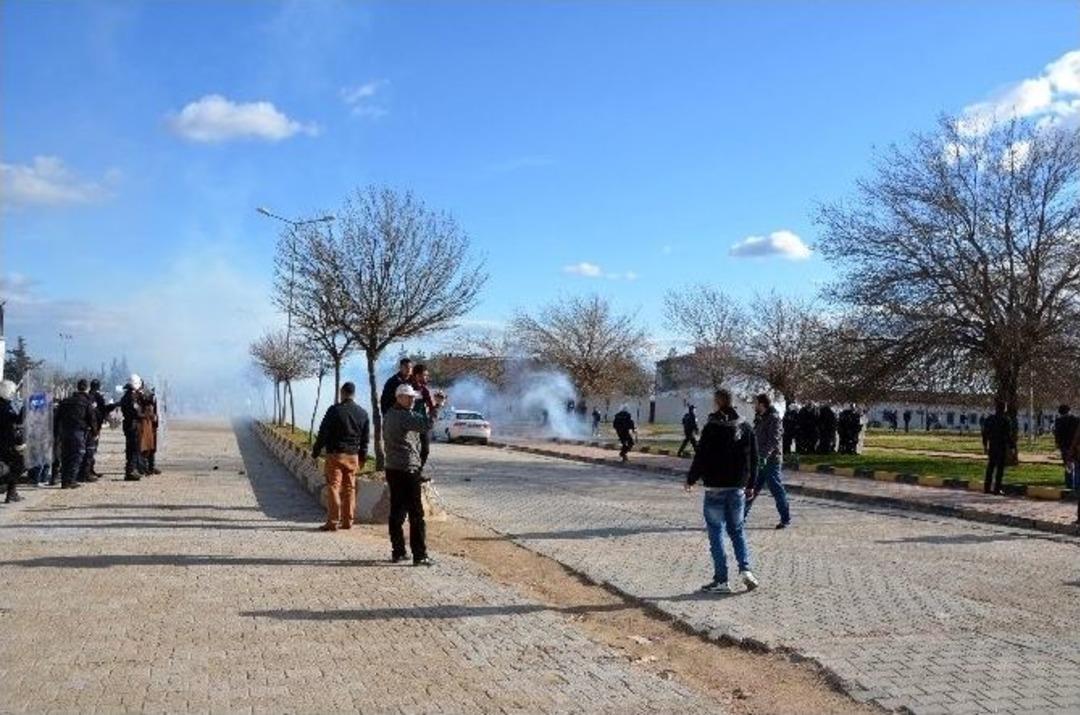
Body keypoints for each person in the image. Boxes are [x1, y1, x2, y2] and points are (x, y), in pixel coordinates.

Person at [685, 389, 760, 594]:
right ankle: (746, 570)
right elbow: (754, 459)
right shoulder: (746, 427)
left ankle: (721, 580)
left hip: (715, 488)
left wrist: (691, 479)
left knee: (716, 533)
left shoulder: (711, 427)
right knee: (737, 531)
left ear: (717, 402)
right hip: (738, 488)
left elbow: (701, 456)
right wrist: (751, 484)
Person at [383, 383, 445, 565]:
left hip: (393, 469)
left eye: (413, 398)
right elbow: (427, 424)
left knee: (397, 512)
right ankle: (420, 555)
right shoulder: (404, 416)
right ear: (399, 398)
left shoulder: (389, 414)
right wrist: (437, 406)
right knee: (416, 514)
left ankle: (398, 551)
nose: (412, 400)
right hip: (407, 470)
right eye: (409, 397)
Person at [312, 382, 370, 532]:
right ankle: (347, 521)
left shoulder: (334, 410)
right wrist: (362, 457)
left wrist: (316, 451)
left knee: (334, 486)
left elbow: (323, 432)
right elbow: (365, 439)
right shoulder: (362, 413)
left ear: (342, 393)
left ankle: (332, 521)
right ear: (354, 394)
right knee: (350, 488)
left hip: (335, 455)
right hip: (353, 456)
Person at [745, 394, 790, 529]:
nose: (754, 405)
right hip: (759, 460)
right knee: (750, 489)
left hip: (771, 461)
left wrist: (764, 456)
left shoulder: (774, 418)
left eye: (756, 403)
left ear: (762, 404)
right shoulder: (760, 418)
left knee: (777, 490)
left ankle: (785, 519)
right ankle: (740, 518)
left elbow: (774, 440)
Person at [55, 379, 96, 490]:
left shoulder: (65, 401)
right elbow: (91, 418)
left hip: (65, 432)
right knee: (77, 455)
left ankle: (64, 481)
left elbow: (57, 417)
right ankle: (71, 480)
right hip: (78, 432)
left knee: (65, 456)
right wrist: (94, 432)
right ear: (86, 388)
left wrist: (56, 433)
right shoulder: (86, 402)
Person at [0, 380, 27, 504]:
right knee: (19, 465)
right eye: (12, 392)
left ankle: (12, 492)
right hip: (5, 443)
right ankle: (9, 490)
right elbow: (15, 422)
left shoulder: (5, 405)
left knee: (11, 466)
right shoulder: (5, 406)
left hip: (5, 442)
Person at [981, 400, 1015, 495]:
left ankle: (987, 488)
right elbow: (1008, 435)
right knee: (1000, 469)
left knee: (990, 467)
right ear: (1004, 409)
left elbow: (984, 434)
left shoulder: (989, 419)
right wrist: (1012, 447)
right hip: (1001, 446)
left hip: (992, 446)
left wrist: (985, 445)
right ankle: (997, 488)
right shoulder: (1006, 420)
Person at [409, 364, 436, 474]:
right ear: (417, 375)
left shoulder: (425, 390)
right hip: (409, 423)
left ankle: (418, 471)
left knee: (425, 449)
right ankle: (410, 471)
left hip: (422, 423)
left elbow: (432, 406)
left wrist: (436, 406)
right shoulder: (407, 388)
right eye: (425, 375)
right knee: (411, 449)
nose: (426, 378)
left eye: (427, 376)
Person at [119, 375, 145, 480]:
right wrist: (145, 415)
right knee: (134, 449)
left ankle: (130, 470)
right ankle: (131, 471)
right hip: (133, 425)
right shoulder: (131, 397)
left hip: (128, 424)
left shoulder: (125, 396)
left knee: (130, 448)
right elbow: (136, 412)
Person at [1053, 405, 1079, 489]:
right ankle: (1076, 484)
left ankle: (1069, 484)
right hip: (1075, 445)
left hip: (1064, 446)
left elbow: (1057, 434)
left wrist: (1058, 444)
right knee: (1077, 464)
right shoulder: (1076, 420)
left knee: (1068, 464)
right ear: (1069, 410)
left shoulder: (1058, 421)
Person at [139, 388, 160, 475]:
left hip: (152, 426)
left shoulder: (153, 402)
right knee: (145, 447)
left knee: (152, 447)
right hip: (146, 425)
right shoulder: (141, 399)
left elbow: (155, 414)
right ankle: (144, 467)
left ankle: (151, 466)